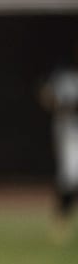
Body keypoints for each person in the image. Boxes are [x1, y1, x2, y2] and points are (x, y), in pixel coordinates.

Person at [40, 58, 78, 241]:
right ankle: (60, 221)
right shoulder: (65, 77)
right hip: (70, 137)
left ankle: (61, 221)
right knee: (70, 177)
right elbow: (46, 94)